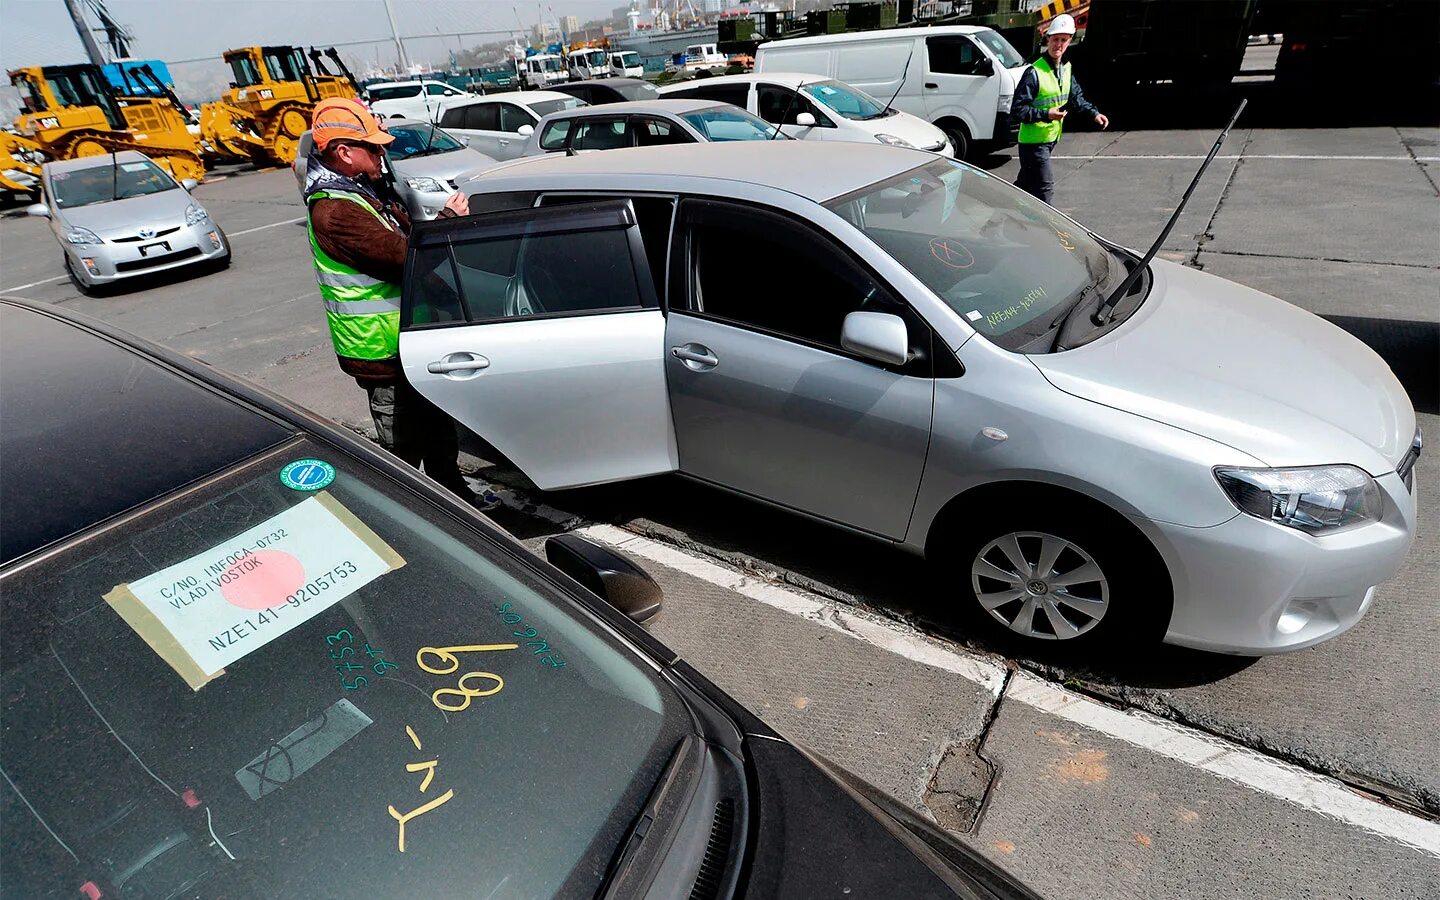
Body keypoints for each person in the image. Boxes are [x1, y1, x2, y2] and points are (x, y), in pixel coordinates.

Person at [301, 96, 475, 498]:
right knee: (403, 453)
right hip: (382, 352)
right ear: (344, 153)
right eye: (374, 147)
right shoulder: (335, 211)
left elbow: (402, 237)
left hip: (407, 343)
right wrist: (447, 223)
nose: (383, 152)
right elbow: (405, 258)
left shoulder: (359, 192)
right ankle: (407, 521)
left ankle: (456, 499)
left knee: (437, 433)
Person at [1011, 14, 1109, 205]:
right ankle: (1046, 233)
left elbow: (1076, 97)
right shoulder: (1034, 72)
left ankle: (1001, 214)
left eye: (1064, 40)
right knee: (1044, 190)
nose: (1059, 45)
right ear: (1048, 39)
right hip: (1033, 144)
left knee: (1024, 186)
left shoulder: (1066, 69)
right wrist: (1046, 115)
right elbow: (1017, 110)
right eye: (1055, 39)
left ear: (1070, 41)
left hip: (1049, 140)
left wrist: (1094, 113)